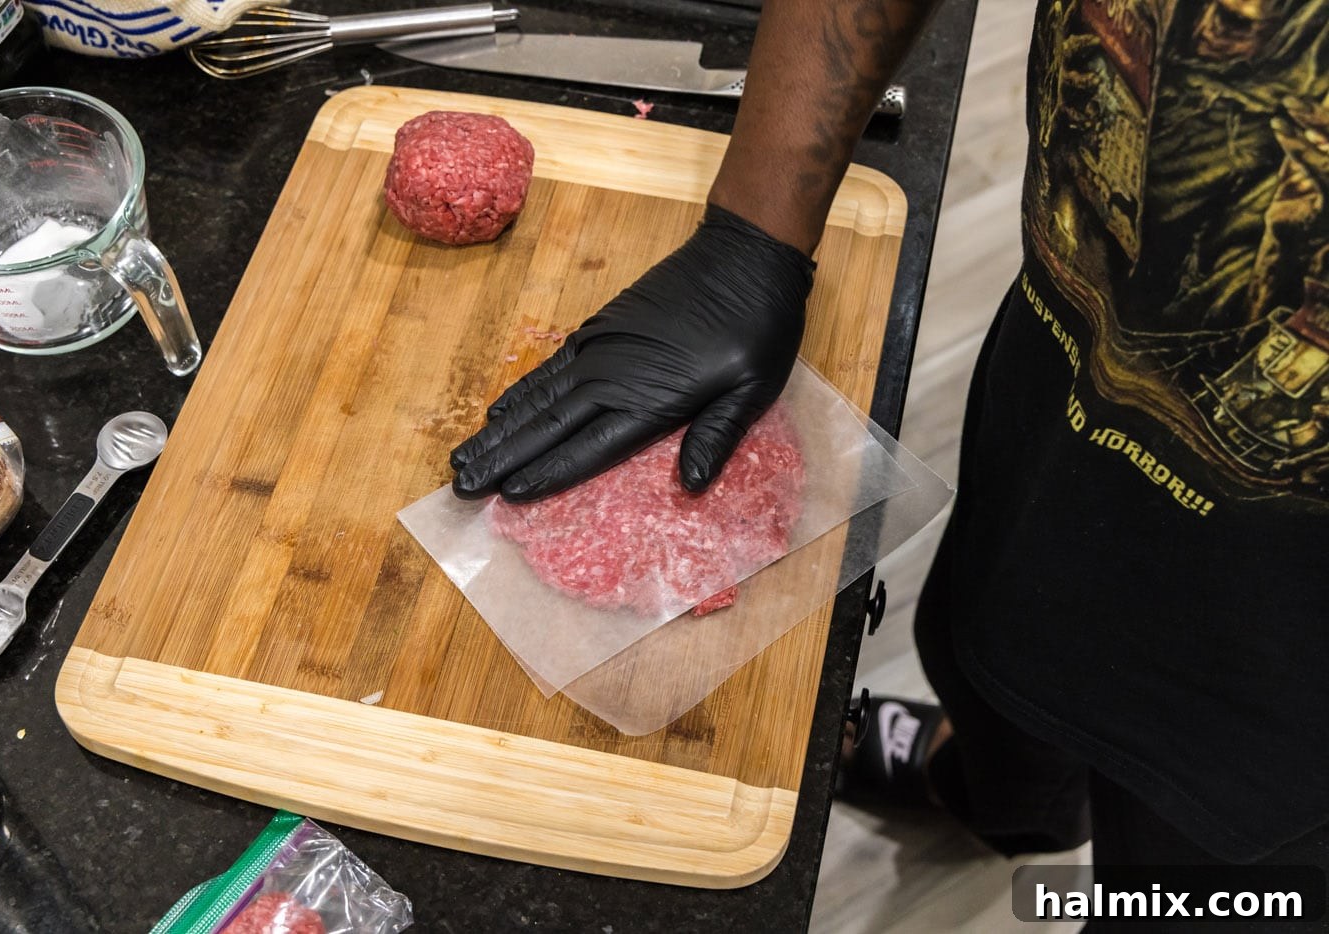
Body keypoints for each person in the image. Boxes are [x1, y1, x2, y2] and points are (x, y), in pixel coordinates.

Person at [451, 0, 1329, 907]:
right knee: (989, 663)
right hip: (1076, 373)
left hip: (1300, 641)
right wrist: (756, 234)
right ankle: (995, 803)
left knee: (1190, 881)